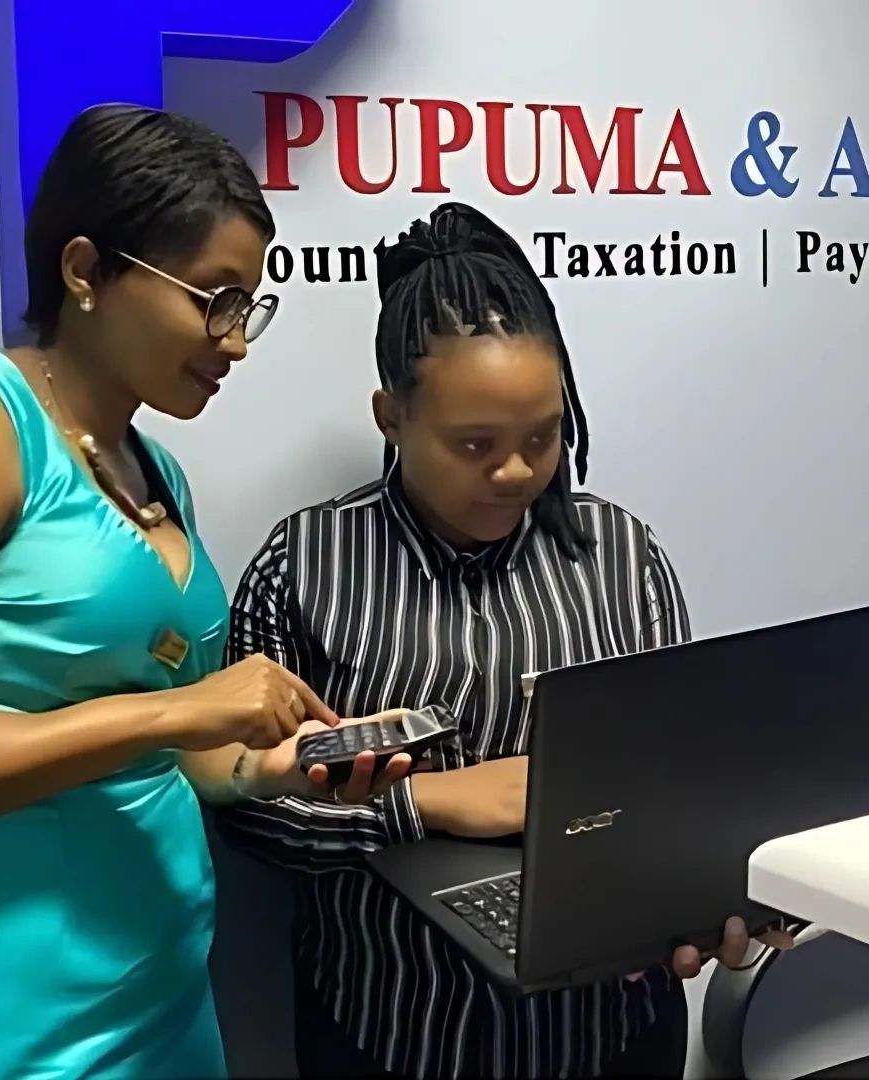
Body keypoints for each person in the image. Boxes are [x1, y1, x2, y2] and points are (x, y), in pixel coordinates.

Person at [0, 104, 408, 1080]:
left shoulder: (152, 467)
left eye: (248, 307)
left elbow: (177, 758)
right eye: (213, 299)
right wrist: (173, 709)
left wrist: (281, 767)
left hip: (159, 1003)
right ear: (85, 272)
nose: (234, 341)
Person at [218, 203, 789, 1078]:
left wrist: (710, 897)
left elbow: (674, 785)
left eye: (542, 437)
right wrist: (435, 802)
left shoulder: (623, 560)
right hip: (393, 1027)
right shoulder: (306, 567)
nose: (517, 470)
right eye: (475, 444)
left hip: (612, 1034)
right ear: (390, 417)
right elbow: (246, 810)